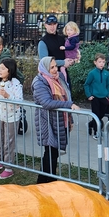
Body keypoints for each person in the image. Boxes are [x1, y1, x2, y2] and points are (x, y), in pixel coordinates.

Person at [33, 56, 81, 184]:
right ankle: (47, 181)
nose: (55, 69)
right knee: (50, 151)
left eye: (55, 66)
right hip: (47, 121)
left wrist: (70, 120)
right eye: (51, 67)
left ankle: (46, 180)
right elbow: (46, 102)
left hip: (60, 120)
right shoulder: (40, 82)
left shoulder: (60, 78)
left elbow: (66, 96)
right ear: (45, 68)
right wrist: (69, 105)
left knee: (53, 152)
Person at [84, 53, 109, 137]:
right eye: (99, 62)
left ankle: (90, 124)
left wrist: (107, 94)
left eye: (103, 62)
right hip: (95, 97)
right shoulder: (92, 73)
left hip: (104, 97)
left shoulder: (106, 73)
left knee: (101, 114)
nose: (101, 64)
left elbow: (108, 85)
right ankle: (96, 132)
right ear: (95, 62)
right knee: (96, 114)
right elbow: (86, 84)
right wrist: (89, 95)